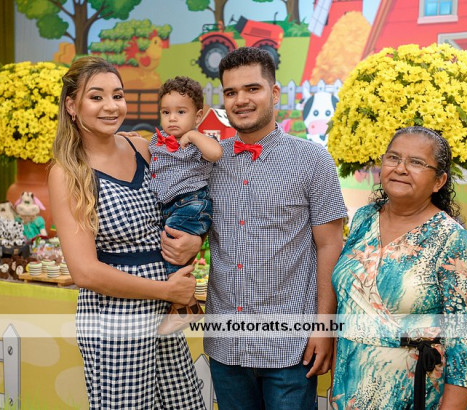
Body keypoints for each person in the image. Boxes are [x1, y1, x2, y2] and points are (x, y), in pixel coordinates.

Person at [49, 56, 205, 409]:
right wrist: (165, 290)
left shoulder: (143, 147)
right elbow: (85, 272)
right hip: (115, 319)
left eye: (117, 95)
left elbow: (187, 199)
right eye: (97, 97)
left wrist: (195, 240)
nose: (111, 106)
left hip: (165, 312)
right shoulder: (68, 173)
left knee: (184, 403)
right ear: (72, 105)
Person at [206, 46, 346, 409]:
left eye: (252, 88)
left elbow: (331, 245)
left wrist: (324, 327)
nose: (241, 100)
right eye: (231, 92)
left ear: (275, 92)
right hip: (225, 345)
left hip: (291, 349)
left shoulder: (313, 159)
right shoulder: (210, 161)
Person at [331, 126, 467, 410]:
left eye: (416, 162)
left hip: (410, 393)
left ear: (439, 181)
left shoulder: (450, 239)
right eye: (393, 158)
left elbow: (466, 346)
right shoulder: (364, 219)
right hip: (348, 388)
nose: (400, 168)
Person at [149, 76, 222, 334]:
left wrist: (193, 135)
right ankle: (184, 305)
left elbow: (216, 153)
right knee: (166, 249)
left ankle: (185, 305)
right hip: (169, 207)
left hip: (192, 204)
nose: (172, 119)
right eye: (166, 112)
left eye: (181, 112)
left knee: (172, 246)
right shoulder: (157, 142)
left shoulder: (196, 143)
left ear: (198, 116)